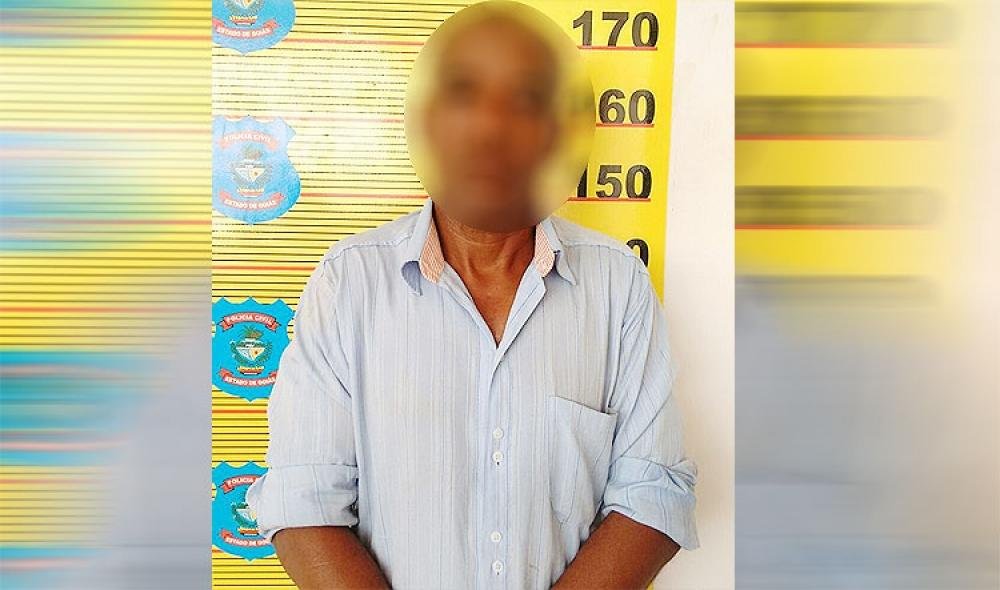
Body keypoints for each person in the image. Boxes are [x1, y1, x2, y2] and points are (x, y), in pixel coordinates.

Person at [245, 2, 700, 588]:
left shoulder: (618, 285)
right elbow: (305, 504)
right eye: (464, 94)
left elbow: (653, 495)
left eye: (527, 100)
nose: (491, 128)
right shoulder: (349, 283)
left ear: (562, 133)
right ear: (427, 122)